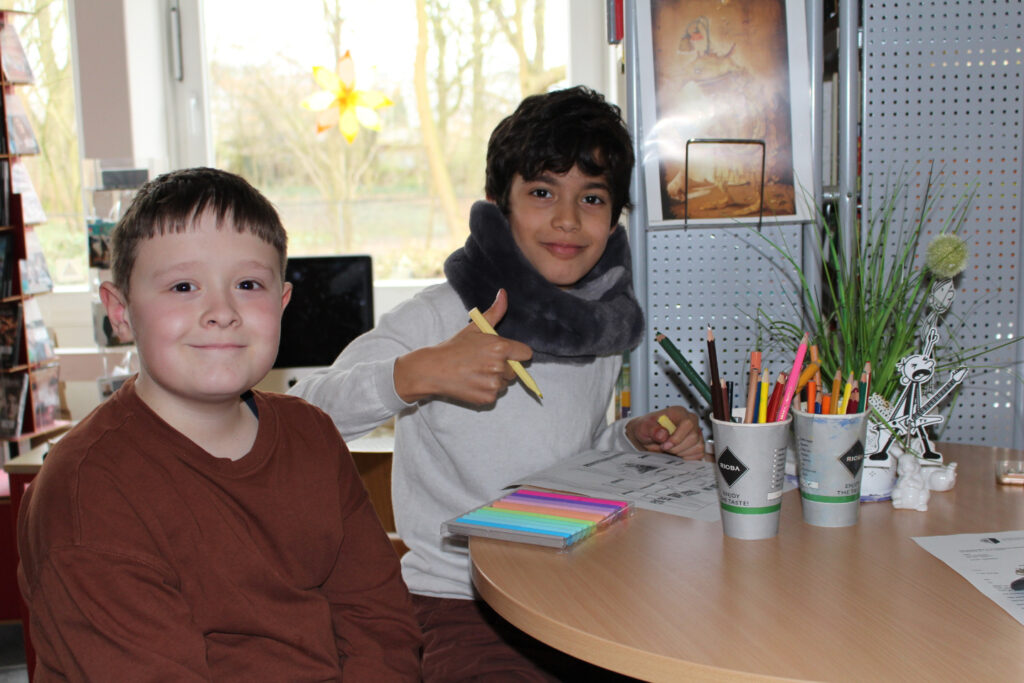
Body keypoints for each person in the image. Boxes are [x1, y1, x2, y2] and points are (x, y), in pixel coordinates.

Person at [289, 86, 704, 680]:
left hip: (576, 585)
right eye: (542, 192)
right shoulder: (440, 315)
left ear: (614, 219)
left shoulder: (596, 327)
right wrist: (416, 373)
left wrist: (632, 441)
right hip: (458, 603)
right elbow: (299, 418)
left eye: (591, 197)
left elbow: (569, 456)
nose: (567, 219)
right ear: (497, 206)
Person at [17, 167, 422, 681]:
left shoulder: (313, 435)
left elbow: (380, 623)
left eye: (248, 285)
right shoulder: (87, 490)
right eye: (183, 286)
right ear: (119, 311)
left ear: (281, 304)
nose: (222, 311)